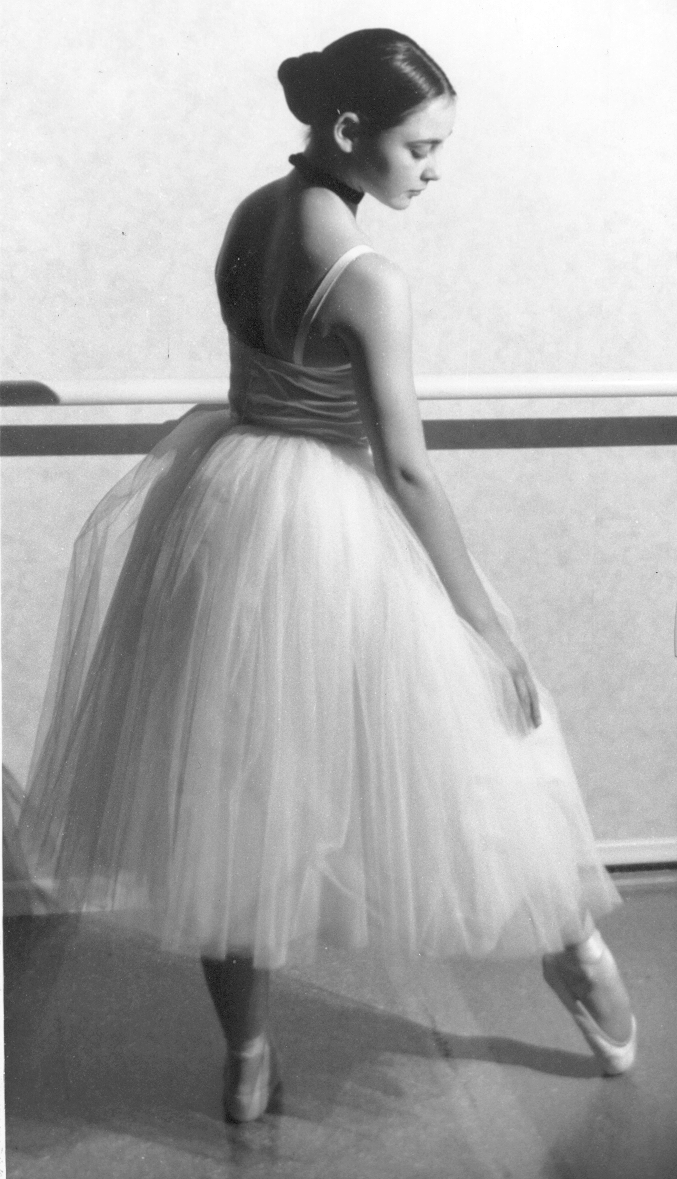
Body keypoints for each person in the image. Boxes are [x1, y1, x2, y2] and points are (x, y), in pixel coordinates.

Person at [19, 28, 636, 1124]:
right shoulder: (368, 279)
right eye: (421, 148)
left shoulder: (249, 215)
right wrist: (484, 626)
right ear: (350, 131)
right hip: (333, 523)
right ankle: (574, 951)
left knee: (232, 796)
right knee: (488, 742)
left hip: (227, 512)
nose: (434, 171)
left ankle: (247, 1058)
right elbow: (405, 467)